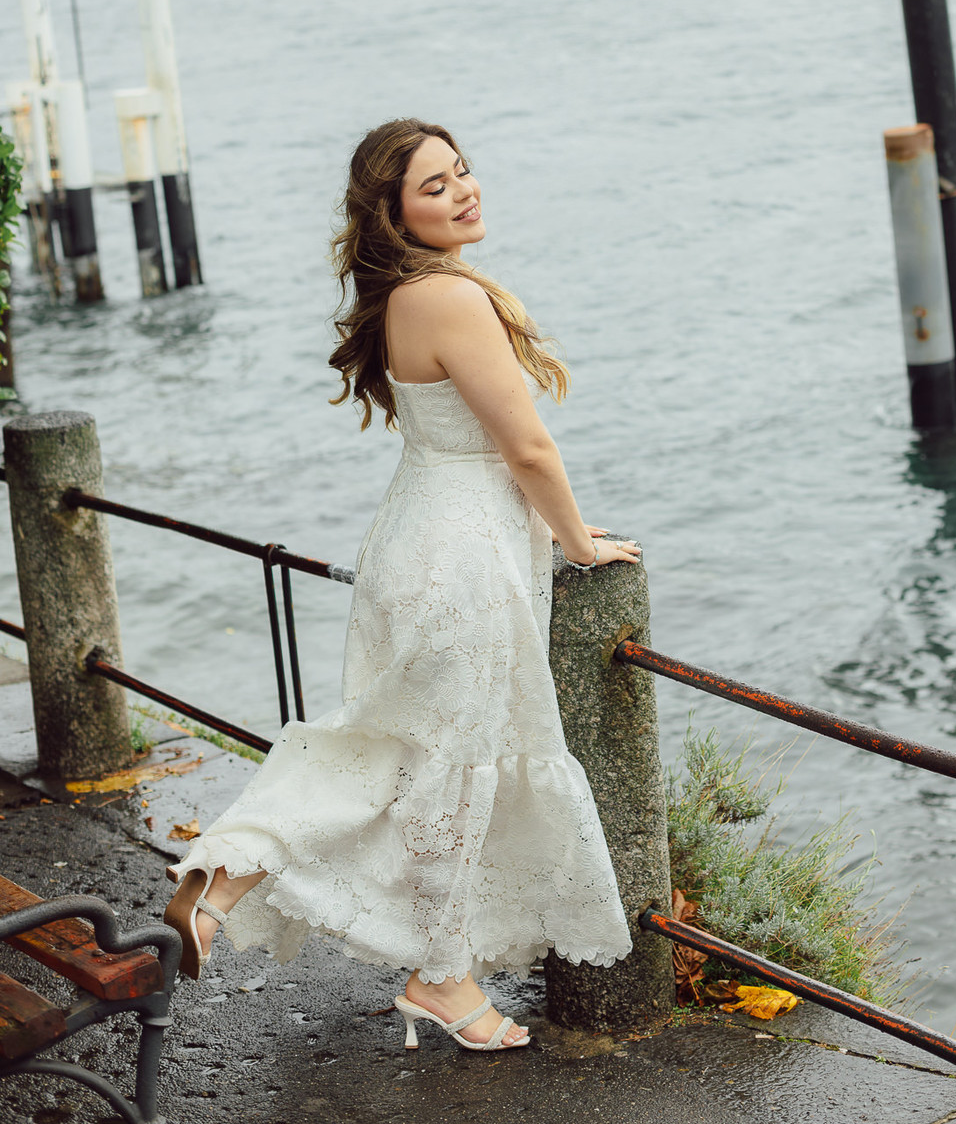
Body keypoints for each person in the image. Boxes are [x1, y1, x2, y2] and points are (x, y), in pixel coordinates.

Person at [164, 119, 639, 1053]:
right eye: (435, 185)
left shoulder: (404, 297)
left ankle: (262, 896)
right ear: (392, 212)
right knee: (439, 769)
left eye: (463, 172)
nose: (463, 190)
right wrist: (579, 543)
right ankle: (429, 972)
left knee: (405, 757)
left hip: (419, 540)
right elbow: (527, 446)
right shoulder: (451, 297)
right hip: (461, 563)